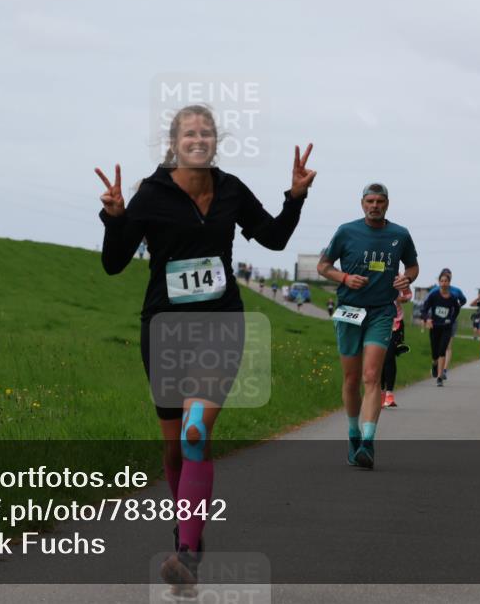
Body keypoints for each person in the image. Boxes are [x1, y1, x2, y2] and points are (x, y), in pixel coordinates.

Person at [96, 105, 316, 591]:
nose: (199, 139)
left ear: (217, 141)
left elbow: (275, 239)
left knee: (196, 434)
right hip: (165, 330)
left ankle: (188, 555)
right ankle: (186, 531)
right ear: (174, 143)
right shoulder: (151, 195)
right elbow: (114, 263)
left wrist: (296, 197)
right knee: (173, 449)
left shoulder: (232, 189)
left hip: (221, 324)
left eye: (207, 132)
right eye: (190, 133)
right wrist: (114, 219)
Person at [318, 182, 419, 470]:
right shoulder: (347, 231)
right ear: (362, 203)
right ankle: (352, 434)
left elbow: (412, 266)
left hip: (381, 312)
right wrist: (344, 278)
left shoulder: (399, 235)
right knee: (351, 380)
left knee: (372, 375)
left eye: (380, 201)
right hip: (350, 310)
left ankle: (368, 442)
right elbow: (323, 266)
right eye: (370, 201)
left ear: (388, 203)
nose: (375, 205)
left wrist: (406, 278)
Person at [424, 268, 466, 379]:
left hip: (449, 323)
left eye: (447, 278)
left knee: (446, 347)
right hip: (435, 324)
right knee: (435, 351)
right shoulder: (434, 292)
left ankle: (442, 372)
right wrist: (427, 319)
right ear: (439, 280)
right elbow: (426, 305)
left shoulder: (455, 292)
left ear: (450, 280)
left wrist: (453, 313)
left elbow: (462, 302)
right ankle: (435, 364)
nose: (444, 282)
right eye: (442, 279)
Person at [381, 287, 412, 407]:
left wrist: (403, 298)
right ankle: (380, 394)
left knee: (389, 357)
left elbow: (408, 294)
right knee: (379, 359)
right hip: (377, 322)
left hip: (395, 324)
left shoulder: (398, 277)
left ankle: (389, 394)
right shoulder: (373, 273)